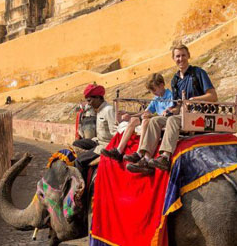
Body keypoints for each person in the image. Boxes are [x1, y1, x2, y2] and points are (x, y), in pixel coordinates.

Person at [126, 44, 217, 173]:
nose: (181, 59)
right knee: (155, 121)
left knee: (173, 120)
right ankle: (146, 159)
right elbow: (177, 105)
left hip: (198, 114)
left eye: (183, 55)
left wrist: (194, 100)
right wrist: (171, 110)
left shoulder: (198, 73)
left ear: (188, 56)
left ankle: (165, 157)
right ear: (174, 59)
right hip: (183, 114)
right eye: (177, 56)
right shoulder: (175, 80)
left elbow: (213, 96)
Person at [101, 73, 172, 161]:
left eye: (154, 89)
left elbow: (168, 114)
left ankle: (139, 153)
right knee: (134, 120)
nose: (153, 92)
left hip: (162, 122)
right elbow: (146, 112)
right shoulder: (156, 98)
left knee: (146, 120)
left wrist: (151, 115)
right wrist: (129, 115)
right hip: (154, 119)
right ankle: (119, 151)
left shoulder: (170, 96)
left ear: (161, 85)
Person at [73, 84, 117, 177]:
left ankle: (82, 188)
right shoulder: (99, 110)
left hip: (106, 145)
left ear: (98, 98)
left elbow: (115, 132)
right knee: (76, 144)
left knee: (79, 161)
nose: (88, 103)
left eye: (89, 100)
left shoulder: (108, 110)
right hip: (98, 141)